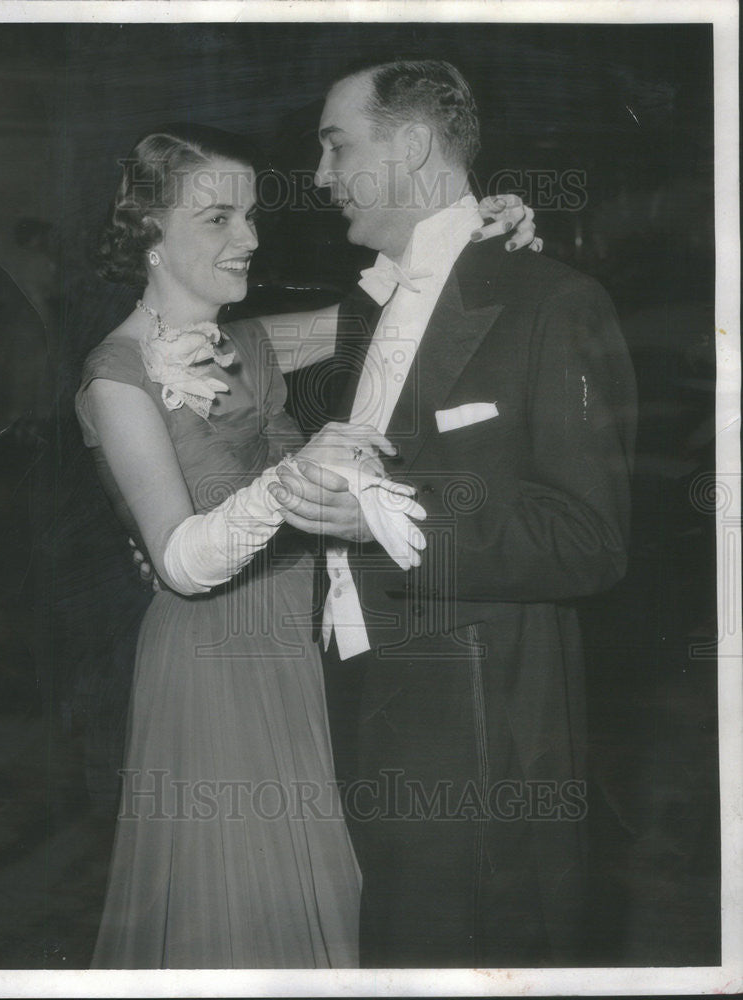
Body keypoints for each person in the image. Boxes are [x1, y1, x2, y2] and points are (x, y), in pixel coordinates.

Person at [75, 122, 536, 968]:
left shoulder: (252, 340)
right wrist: (295, 484)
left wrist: (478, 228)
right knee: (252, 912)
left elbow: (404, 305)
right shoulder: (117, 375)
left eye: (252, 216)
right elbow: (178, 557)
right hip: (216, 662)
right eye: (218, 219)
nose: (250, 238)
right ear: (147, 230)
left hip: (307, 639)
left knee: (335, 885)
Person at [272, 60, 638, 968]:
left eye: (334, 144)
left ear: (410, 145)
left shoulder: (552, 300)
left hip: (477, 718)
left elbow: (588, 540)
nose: (318, 175)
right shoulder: (376, 305)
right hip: (365, 689)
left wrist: (386, 522)